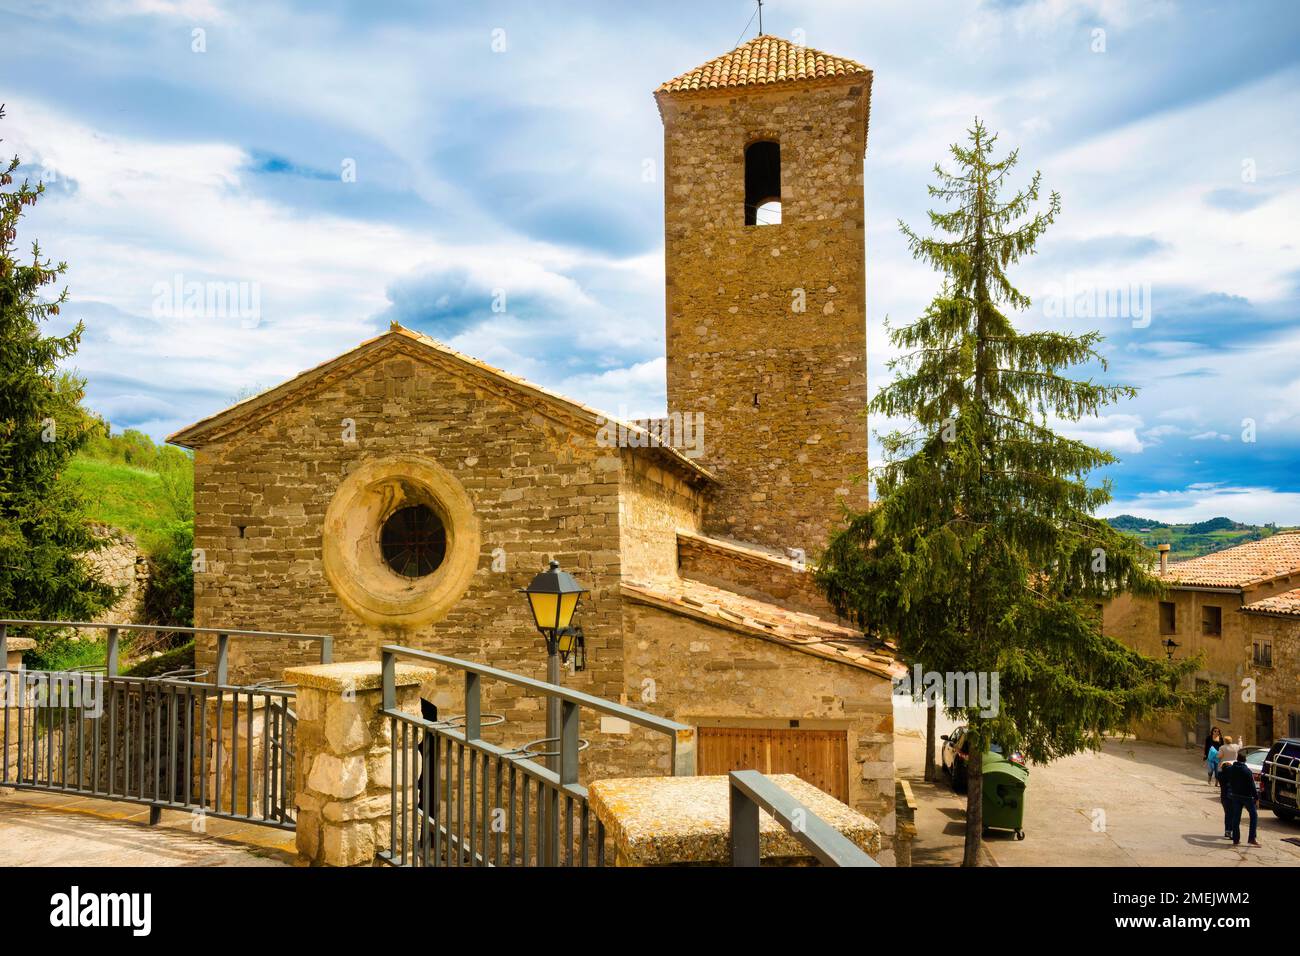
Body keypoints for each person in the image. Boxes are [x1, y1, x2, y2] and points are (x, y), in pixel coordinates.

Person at [1222, 747, 1261, 847]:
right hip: (1247, 797)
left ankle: (1236, 839)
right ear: (1245, 760)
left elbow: (1223, 772)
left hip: (1235, 796)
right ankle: (1252, 838)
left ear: (1237, 759)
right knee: (1254, 816)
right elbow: (1252, 786)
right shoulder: (1247, 771)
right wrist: (1256, 798)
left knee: (1236, 818)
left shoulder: (1231, 769)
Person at [1215, 741, 1237, 839]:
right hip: (1230, 797)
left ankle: (1227, 830)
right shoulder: (1231, 776)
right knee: (1232, 814)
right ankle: (1230, 831)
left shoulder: (1220, 776)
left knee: (1228, 814)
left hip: (1223, 797)